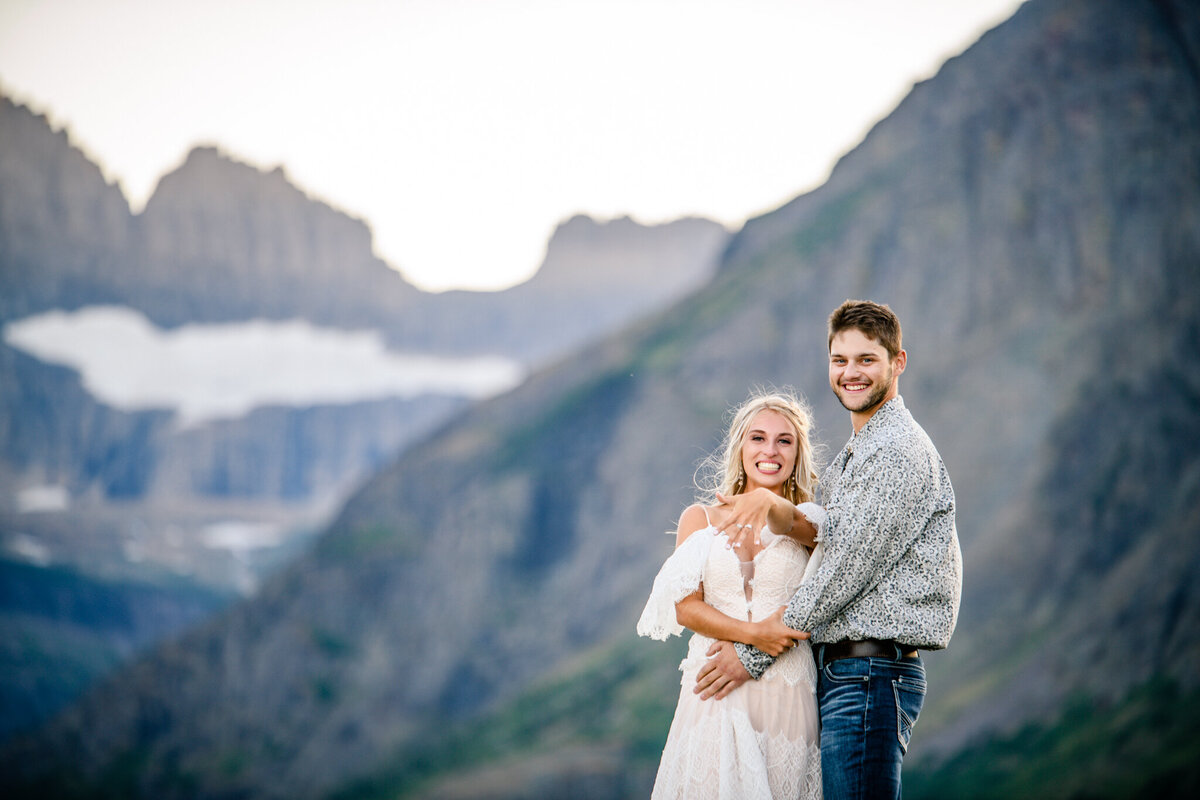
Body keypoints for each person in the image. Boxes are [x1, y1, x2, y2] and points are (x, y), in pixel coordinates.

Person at [696, 300, 963, 800]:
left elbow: (840, 572)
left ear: (897, 362)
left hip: (869, 675)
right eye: (840, 360)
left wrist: (750, 654)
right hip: (845, 673)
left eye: (867, 359)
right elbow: (826, 538)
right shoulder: (856, 454)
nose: (850, 373)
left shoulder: (896, 454)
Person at [637, 389, 825, 799]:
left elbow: (795, 531)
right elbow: (686, 608)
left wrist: (766, 501)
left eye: (784, 440)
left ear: (798, 453)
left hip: (786, 697)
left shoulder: (811, 521)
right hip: (712, 689)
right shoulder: (700, 519)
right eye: (757, 438)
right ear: (740, 447)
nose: (770, 450)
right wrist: (752, 635)